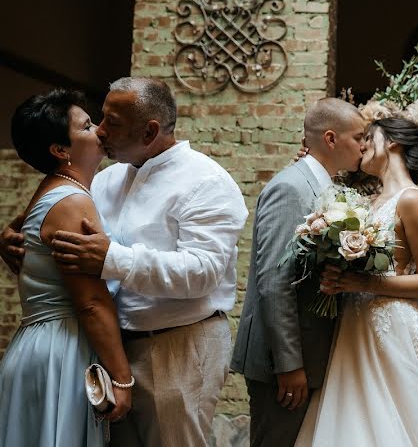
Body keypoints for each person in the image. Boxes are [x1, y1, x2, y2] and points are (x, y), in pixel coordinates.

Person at [2, 78, 249, 447]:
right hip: (106, 349)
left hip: (175, 350)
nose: (101, 131)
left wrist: (112, 259)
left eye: (112, 123)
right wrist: (10, 236)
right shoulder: (105, 180)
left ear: (149, 132)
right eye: (99, 119)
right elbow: (48, 217)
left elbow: (204, 273)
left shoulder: (206, 182)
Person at [296, 117, 418, 446]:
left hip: (393, 330)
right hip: (353, 326)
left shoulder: (412, 200)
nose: (362, 145)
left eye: (368, 137)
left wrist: (362, 283)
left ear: (393, 142)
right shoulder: (368, 202)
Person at [230, 98, 366, 446]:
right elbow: (275, 281)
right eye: (359, 138)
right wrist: (289, 365)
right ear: (332, 139)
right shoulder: (291, 188)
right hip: (286, 362)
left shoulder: (327, 187)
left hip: (314, 353)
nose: (364, 147)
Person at [0, 89, 132, 446]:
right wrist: (121, 379)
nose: (100, 131)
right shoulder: (72, 201)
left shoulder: (53, 190)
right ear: (60, 150)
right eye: (87, 126)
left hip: (35, 345)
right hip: (62, 353)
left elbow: (27, 229)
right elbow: (90, 302)